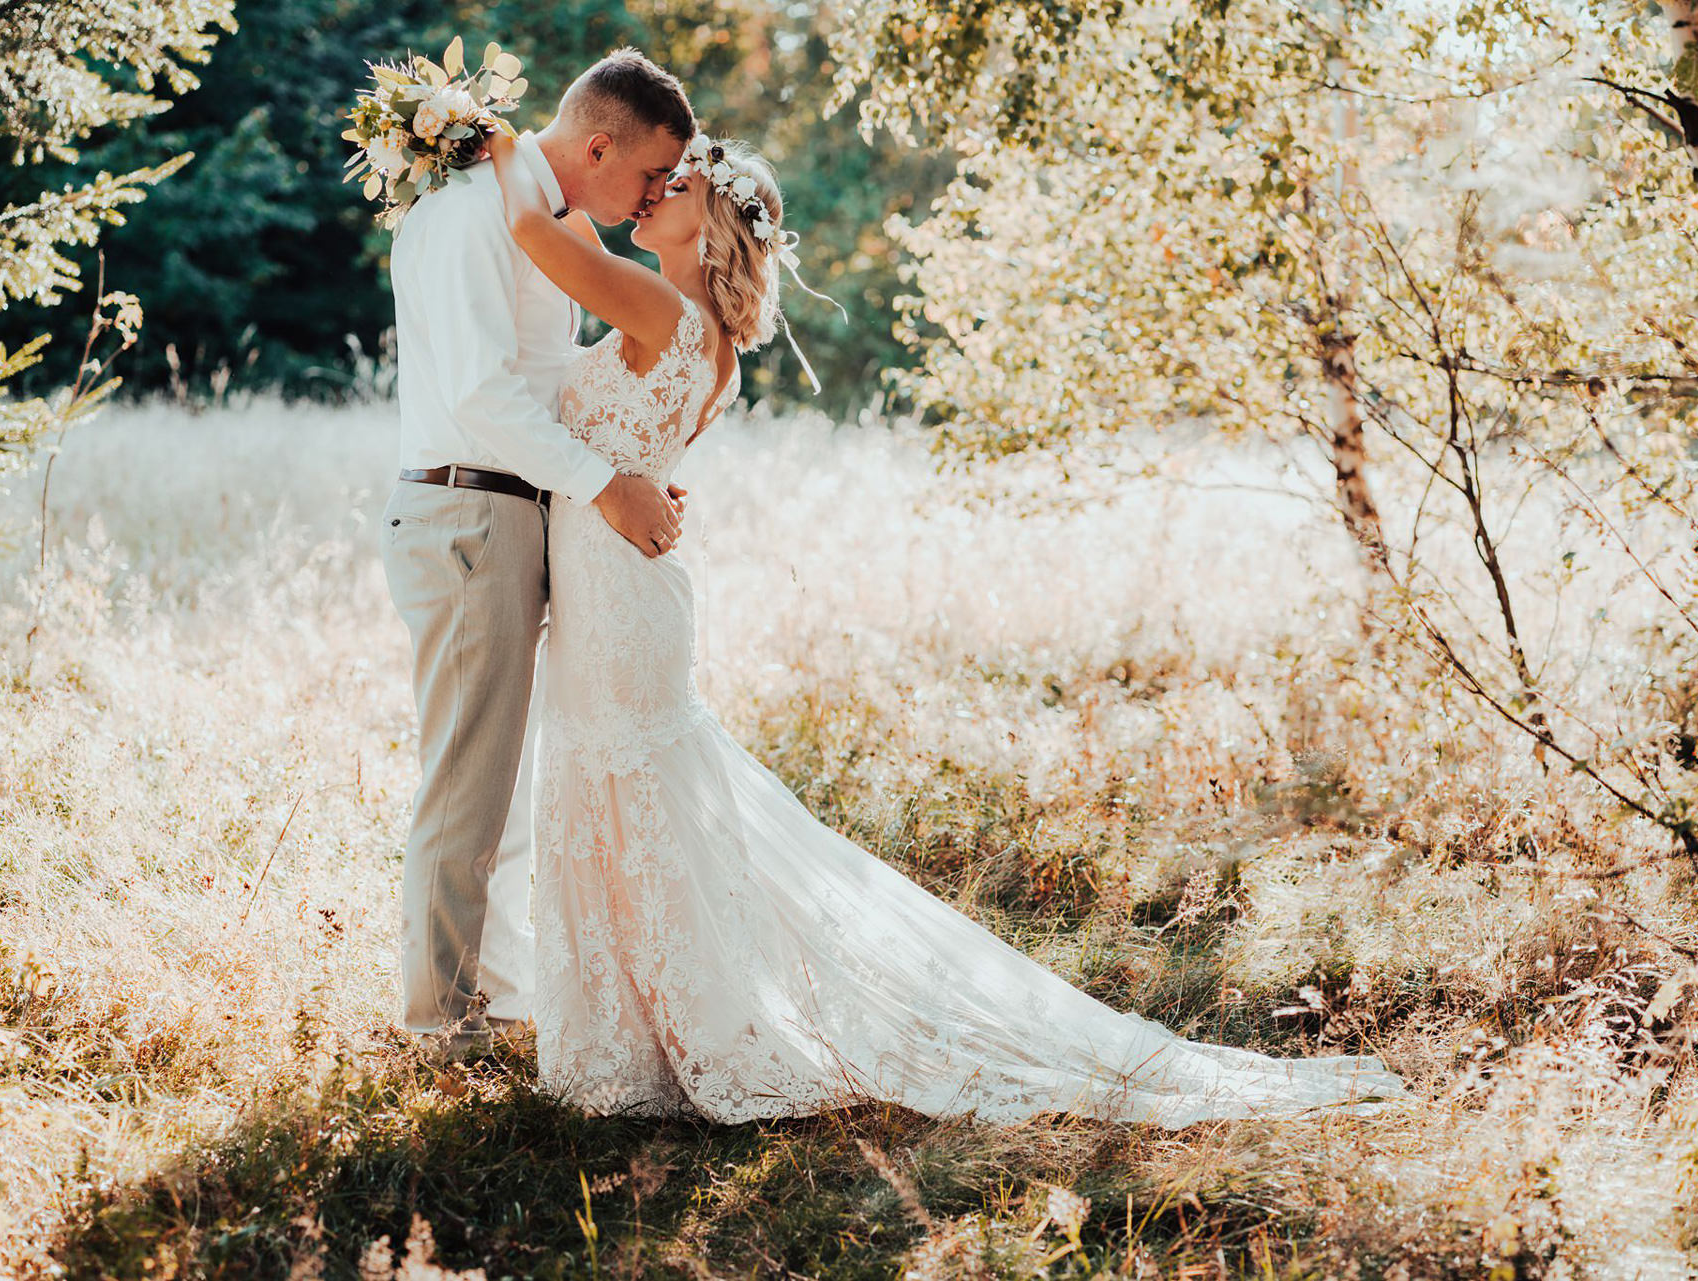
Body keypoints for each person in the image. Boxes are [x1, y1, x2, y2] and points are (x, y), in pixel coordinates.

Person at [487, 128, 1414, 1126]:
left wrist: (485, 136)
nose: (651, 191)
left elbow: (537, 228)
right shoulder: (704, 339)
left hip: (621, 598)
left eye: (674, 185)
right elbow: (603, 329)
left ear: (708, 224)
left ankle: (669, 1036)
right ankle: (651, 1029)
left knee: (630, 797)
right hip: (622, 588)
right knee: (629, 799)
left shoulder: (662, 309)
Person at [379, 50, 694, 1059]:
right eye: (650, 174)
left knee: (504, 785)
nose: (655, 195)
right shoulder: (473, 215)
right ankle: (441, 1027)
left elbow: (551, 380)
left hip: (512, 511)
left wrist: (632, 465)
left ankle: (498, 996)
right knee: (468, 783)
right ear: (599, 147)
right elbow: (480, 395)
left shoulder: (532, 222)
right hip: (469, 511)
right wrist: (604, 484)